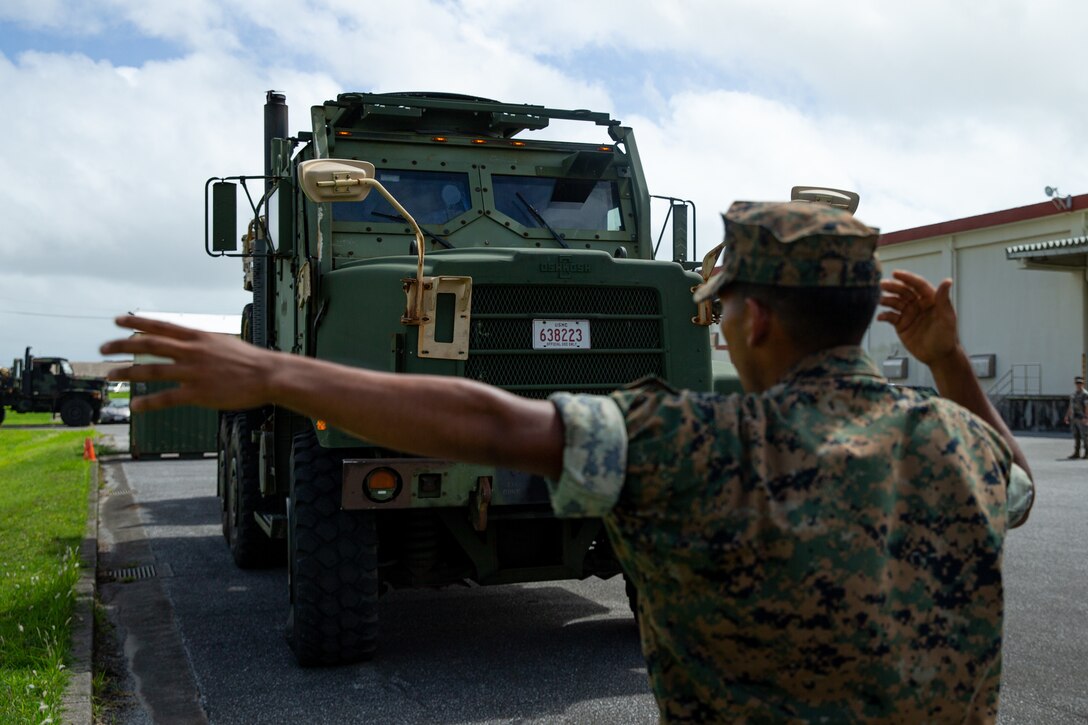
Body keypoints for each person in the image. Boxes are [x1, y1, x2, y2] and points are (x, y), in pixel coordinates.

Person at [101, 200, 1034, 723]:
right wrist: (948, 360)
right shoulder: (959, 447)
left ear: (751, 319)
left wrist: (272, 371)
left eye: (717, 306)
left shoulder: (694, 445)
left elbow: (500, 425)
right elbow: (1013, 469)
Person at [1062, 376, 1088, 458]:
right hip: (1074, 418)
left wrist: (1086, 418)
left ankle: (1087, 453)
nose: (1078, 384)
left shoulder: (1085, 394)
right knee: (1076, 435)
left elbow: (1087, 406)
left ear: (1083, 384)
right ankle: (1076, 452)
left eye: (1080, 383)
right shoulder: (1073, 394)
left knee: (1085, 436)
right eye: (1077, 383)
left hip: (1082, 418)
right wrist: (1067, 416)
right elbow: (1071, 406)